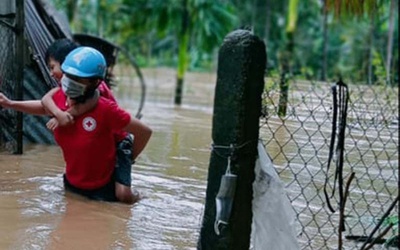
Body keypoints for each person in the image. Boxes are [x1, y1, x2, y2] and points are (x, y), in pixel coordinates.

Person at [0, 46, 152, 204]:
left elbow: (145, 132)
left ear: (94, 82)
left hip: (103, 189)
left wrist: (129, 158)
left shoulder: (106, 109)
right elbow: (42, 106)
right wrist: (9, 104)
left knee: (123, 197)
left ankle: (139, 196)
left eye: (78, 78)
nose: (69, 81)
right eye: (68, 74)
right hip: (73, 185)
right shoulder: (59, 98)